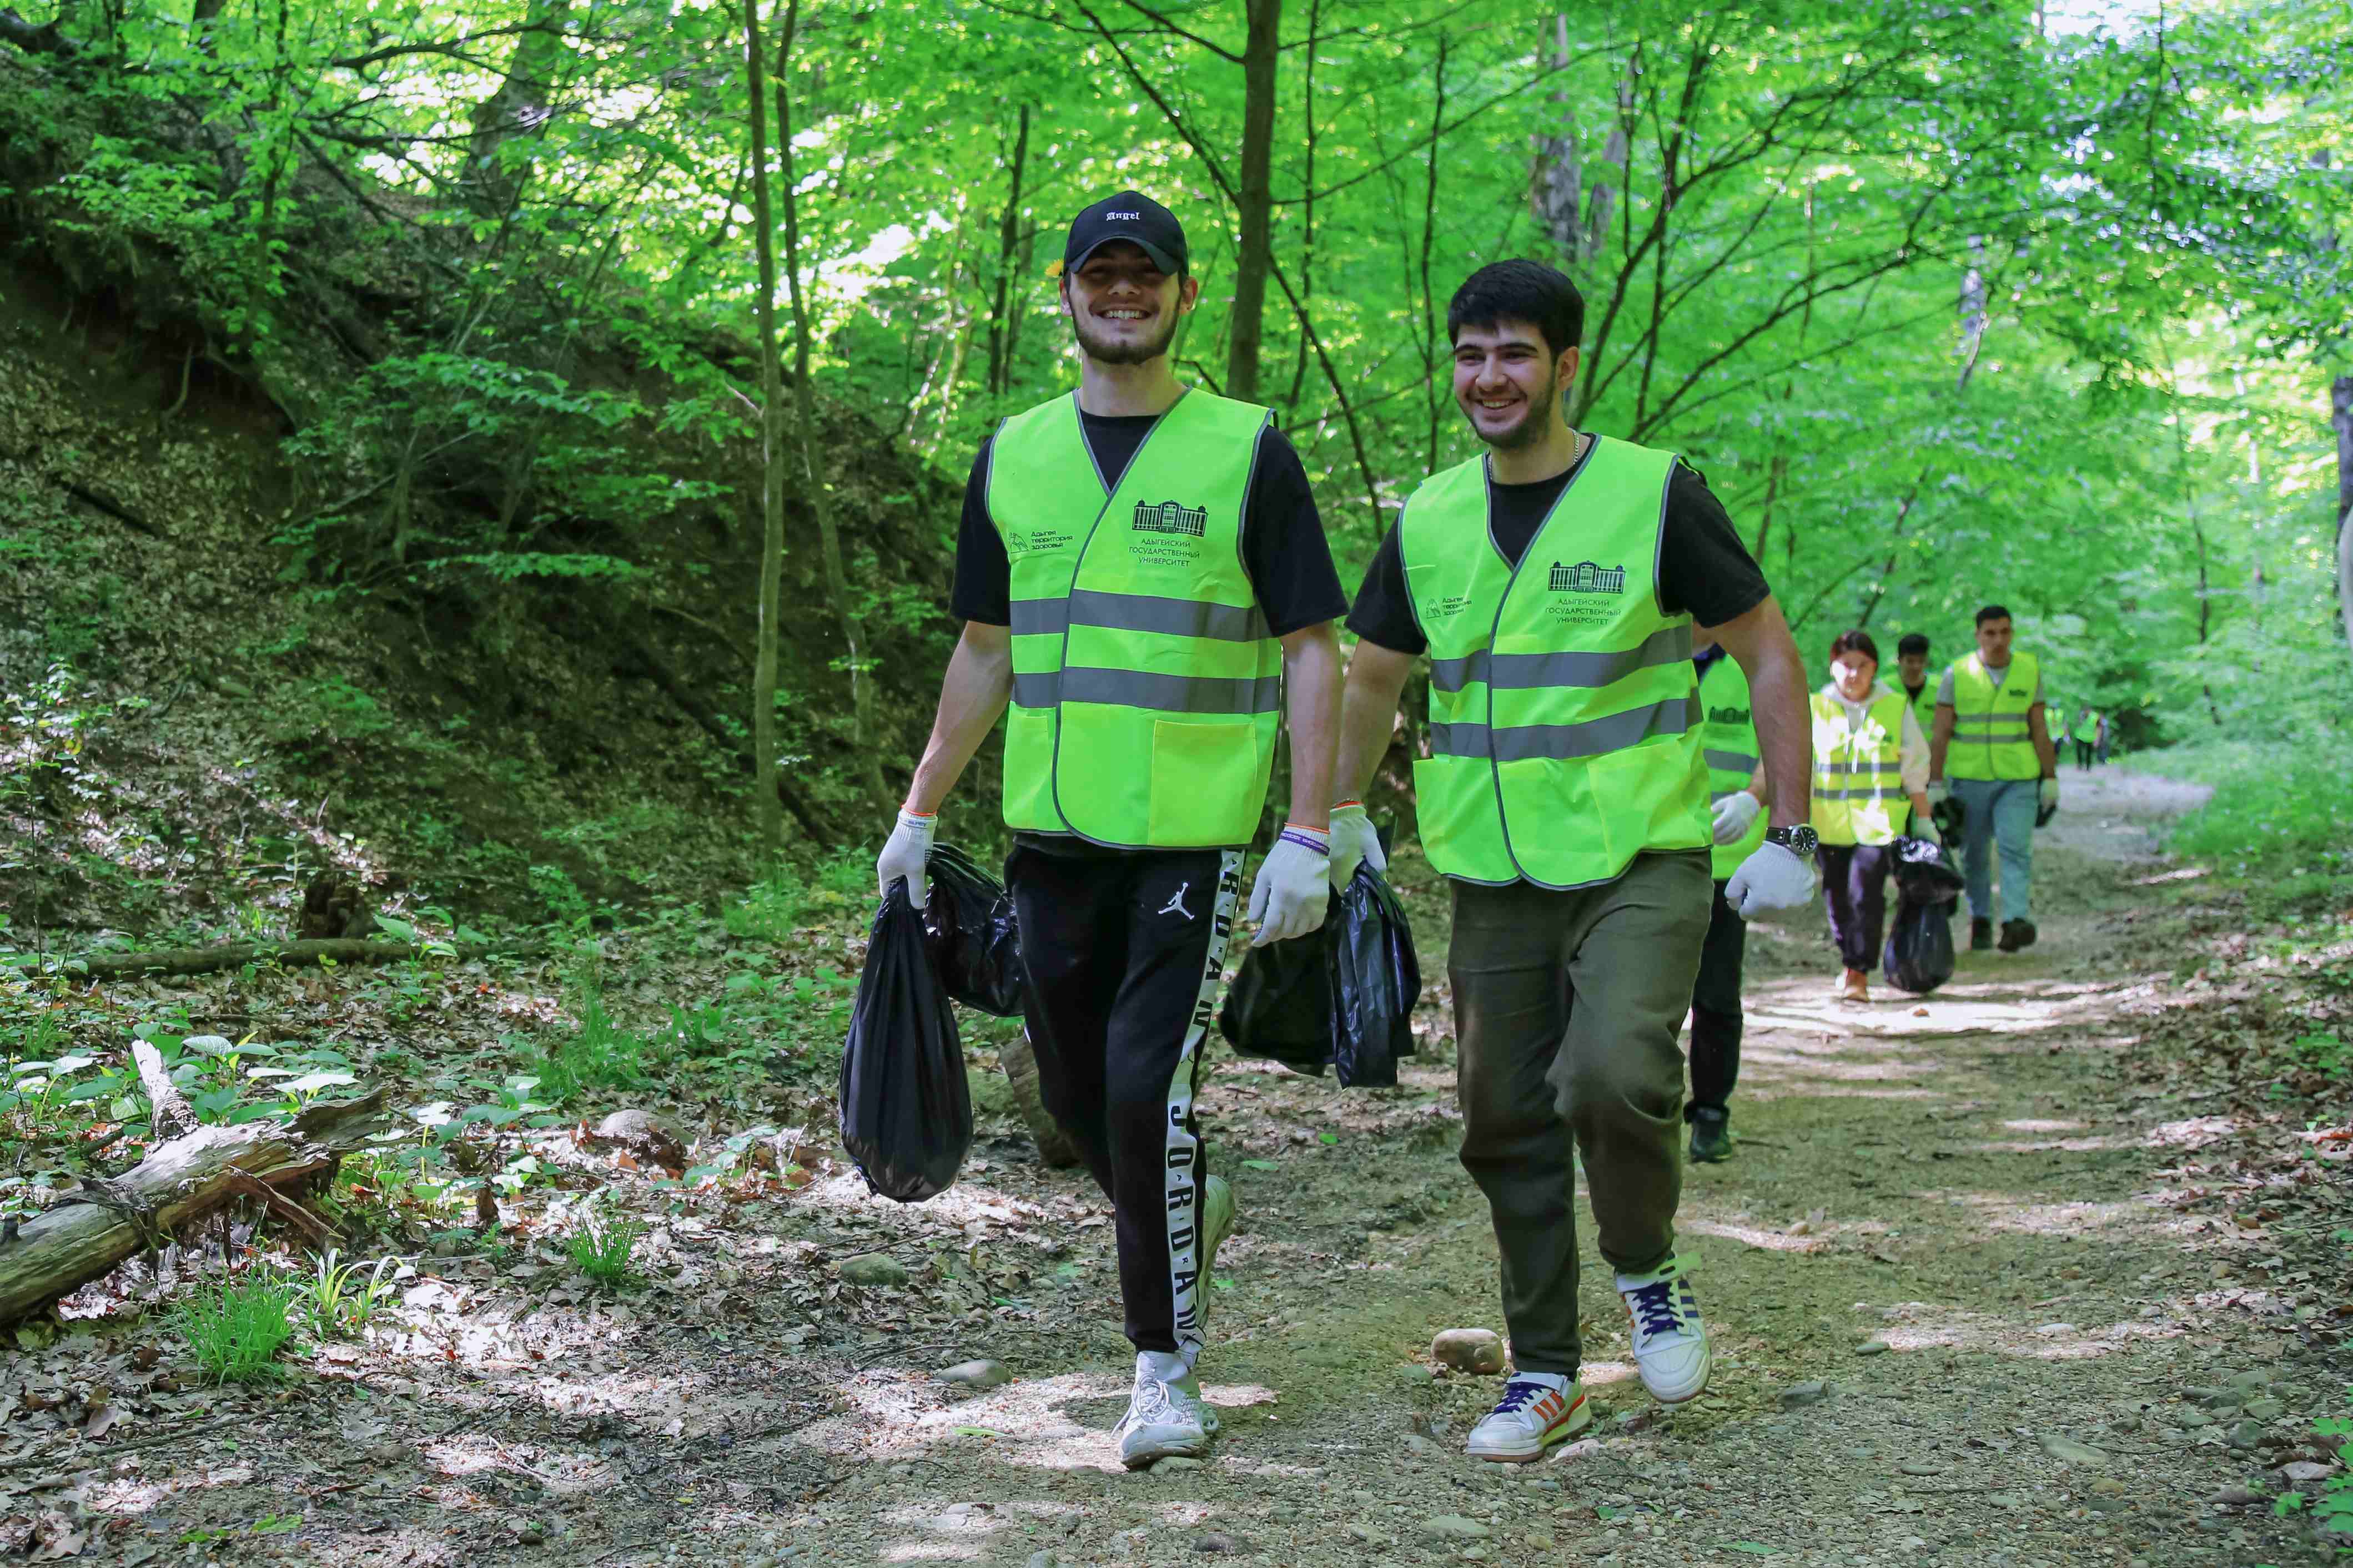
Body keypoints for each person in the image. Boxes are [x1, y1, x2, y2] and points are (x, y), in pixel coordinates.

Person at [877, 191, 1346, 1470]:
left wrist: (1307, 825)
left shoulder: (1245, 450)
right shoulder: (1013, 453)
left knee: (1144, 1090)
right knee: (1082, 1103)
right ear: (1065, 289)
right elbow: (985, 648)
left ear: (1184, 294)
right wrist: (919, 806)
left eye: (1148, 274)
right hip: (1052, 840)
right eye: (1102, 272)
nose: (1123, 291)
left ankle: (1162, 1372)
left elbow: (1313, 647)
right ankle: (1185, 1200)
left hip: (1190, 838)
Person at [1325, 260, 1817, 1464]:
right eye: (1469, 354)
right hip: (1492, 872)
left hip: (1642, 856)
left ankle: (1646, 1263)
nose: (1488, 377)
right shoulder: (1428, 517)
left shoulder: (1651, 494)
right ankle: (1545, 1370)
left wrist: (1792, 829)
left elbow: (1765, 653)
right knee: (1500, 1120)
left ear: (1564, 365)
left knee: (1610, 1075)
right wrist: (1329, 814)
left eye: (1514, 353)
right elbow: (1374, 677)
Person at [1927, 605, 2058, 954]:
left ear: (2012, 633)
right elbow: (1940, 735)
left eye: (2004, 632)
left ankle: (2015, 920)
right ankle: (1981, 919)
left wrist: (2050, 778)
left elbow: (2040, 730)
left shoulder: (2029, 670)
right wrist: (1935, 784)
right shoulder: (1957, 674)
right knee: (1974, 854)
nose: (1998, 640)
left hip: (2018, 778)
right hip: (1970, 779)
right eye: (1990, 633)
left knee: (2016, 848)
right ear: (1978, 635)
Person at [1810, 631, 1932, 1002]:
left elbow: (1914, 764)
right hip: (1828, 823)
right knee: (1836, 897)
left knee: (1866, 894)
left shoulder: (1894, 706)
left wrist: (1924, 817)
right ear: (1833, 667)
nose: (1853, 673)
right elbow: (1798, 765)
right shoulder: (1814, 706)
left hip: (1878, 824)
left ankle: (1859, 971)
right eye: (1846, 665)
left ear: (1875, 668)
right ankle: (1851, 959)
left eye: (1862, 665)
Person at [1683, 634, 1768, 1163]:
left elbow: (1780, 742)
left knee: (1714, 994)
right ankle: (1631, 1113)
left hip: (1721, 864)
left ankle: (1711, 1113)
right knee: (1632, 995)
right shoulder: (1635, 647)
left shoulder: (1750, 664)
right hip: (1631, 858)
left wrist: (1753, 797)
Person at [1895, 633, 1936, 739]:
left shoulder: (1940, 687)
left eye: (1921, 661)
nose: (1916, 666)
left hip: (1930, 753)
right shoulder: (1885, 687)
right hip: (1894, 753)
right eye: (1910, 661)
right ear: (1899, 660)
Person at [2071, 705, 2098, 770]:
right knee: (2079, 751)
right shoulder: (2081, 716)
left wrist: (2097, 739)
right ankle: (2080, 764)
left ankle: (2088, 766)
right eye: (2085, 711)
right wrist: (2081, 719)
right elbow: (2078, 724)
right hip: (2080, 736)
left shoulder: (2095, 716)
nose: (2086, 712)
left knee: (2089, 753)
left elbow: (2098, 728)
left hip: (2090, 738)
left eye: (2088, 711)